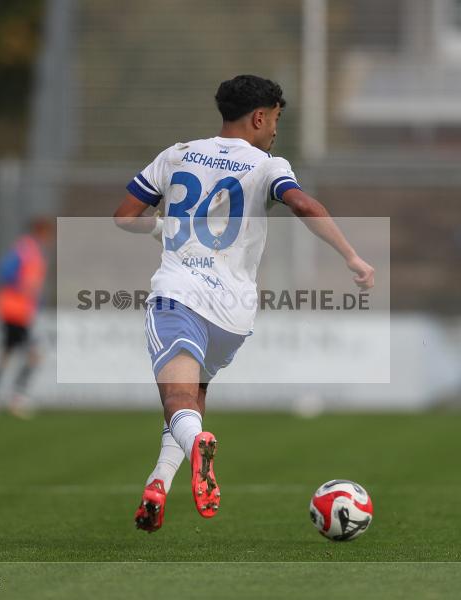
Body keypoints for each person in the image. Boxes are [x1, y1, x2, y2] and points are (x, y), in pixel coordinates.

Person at [113, 75, 375, 532]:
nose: (275, 129)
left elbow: (123, 218)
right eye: (275, 119)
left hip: (179, 296)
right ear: (259, 117)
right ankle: (158, 482)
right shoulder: (267, 165)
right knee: (191, 398)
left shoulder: (176, 155)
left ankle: (197, 446)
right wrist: (351, 255)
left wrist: (163, 230)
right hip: (233, 316)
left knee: (176, 399)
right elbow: (305, 206)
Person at [0, 217, 54, 418]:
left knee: (6, 353)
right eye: (49, 233)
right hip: (13, 311)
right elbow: (1, 272)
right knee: (33, 356)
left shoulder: (33, 252)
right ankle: (15, 397)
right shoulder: (25, 250)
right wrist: (20, 285)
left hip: (21, 312)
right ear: (41, 232)